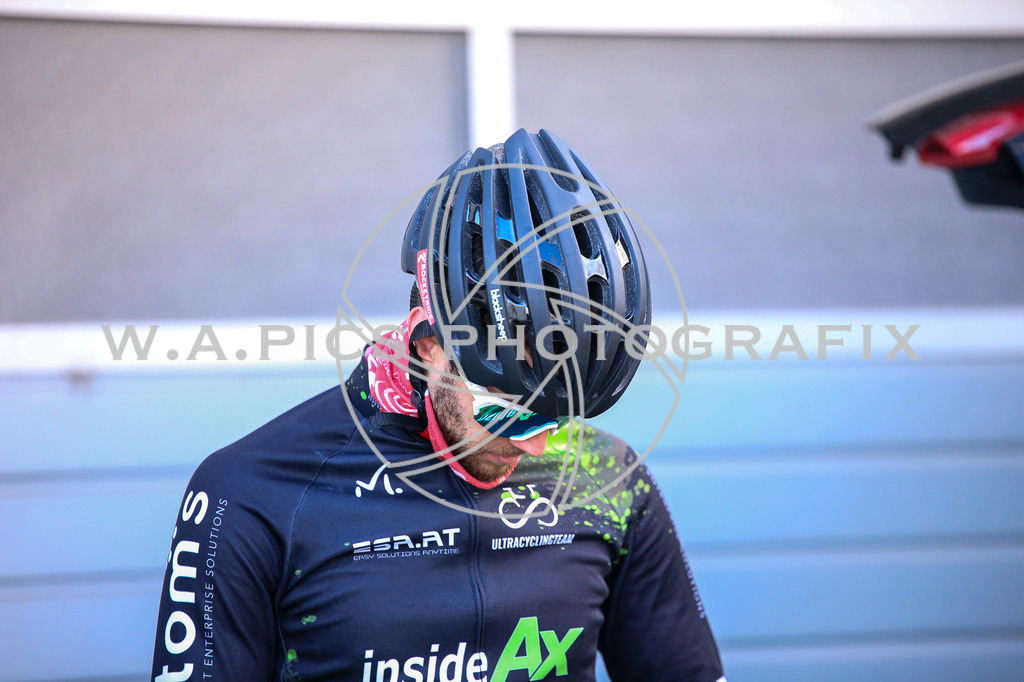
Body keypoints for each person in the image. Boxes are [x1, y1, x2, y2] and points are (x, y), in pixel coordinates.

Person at [151, 129, 725, 682]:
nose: (537, 443)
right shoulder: (252, 495)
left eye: (561, 414)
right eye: (513, 409)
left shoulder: (612, 484)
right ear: (431, 351)